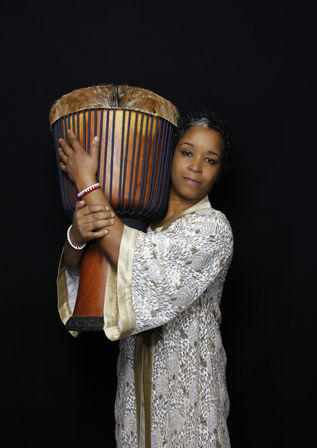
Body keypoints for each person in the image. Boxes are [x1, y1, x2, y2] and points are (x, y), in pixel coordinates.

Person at [57, 109, 234, 447]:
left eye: (210, 160)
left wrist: (86, 182)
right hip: (134, 392)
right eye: (187, 152)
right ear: (169, 156)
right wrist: (77, 236)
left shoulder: (213, 229)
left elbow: (144, 266)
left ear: (218, 172)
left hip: (189, 394)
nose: (196, 166)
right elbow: (81, 277)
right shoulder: (139, 226)